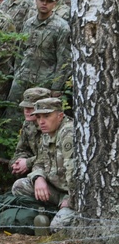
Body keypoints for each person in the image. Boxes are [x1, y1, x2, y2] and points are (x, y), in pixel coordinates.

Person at [10, 97, 75, 230]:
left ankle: (61, 214)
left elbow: (74, 174)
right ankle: (51, 212)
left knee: (57, 228)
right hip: (56, 189)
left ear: (60, 116)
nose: (41, 121)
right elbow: (39, 161)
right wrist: (38, 178)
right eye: (38, 117)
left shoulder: (68, 133)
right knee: (19, 186)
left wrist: (72, 200)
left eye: (46, 116)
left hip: (73, 193)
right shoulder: (47, 133)